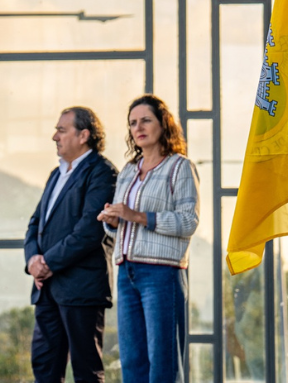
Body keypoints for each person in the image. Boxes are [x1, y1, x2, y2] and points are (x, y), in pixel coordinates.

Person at [96, 94, 199, 383]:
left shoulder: (180, 167)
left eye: (145, 120)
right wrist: (114, 222)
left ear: (163, 124)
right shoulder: (129, 170)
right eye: (132, 123)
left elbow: (189, 221)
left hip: (162, 273)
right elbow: (120, 226)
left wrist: (140, 216)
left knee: (163, 362)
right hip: (126, 271)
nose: (138, 127)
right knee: (132, 362)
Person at [24, 106, 118, 383]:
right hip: (47, 290)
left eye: (62, 130)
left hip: (81, 289)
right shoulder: (56, 173)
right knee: (44, 366)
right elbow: (35, 224)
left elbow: (89, 231)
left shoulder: (102, 173)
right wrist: (33, 262)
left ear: (84, 135)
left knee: (86, 371)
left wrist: (47, 263)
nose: (55, 136)